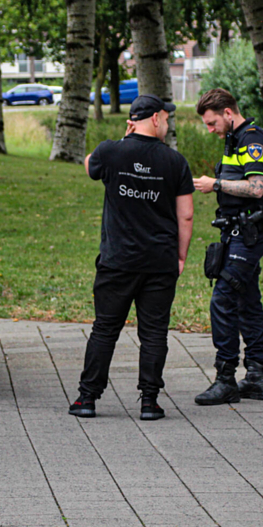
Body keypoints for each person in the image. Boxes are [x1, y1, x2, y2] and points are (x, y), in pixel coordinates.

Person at [68, 94, 194, 422]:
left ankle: (87, 398)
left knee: (105, 328)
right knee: (154, 332)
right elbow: (186, 217)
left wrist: (123, 141)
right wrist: (180, 257)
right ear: (154, 118)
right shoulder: (175, 162)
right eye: (166, 119)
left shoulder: (111, 152)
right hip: (160, 261)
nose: (167, 124)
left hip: (117, 261)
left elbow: (89, 165)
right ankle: (149, 402)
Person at [191, 88, 263, 405]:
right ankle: (256, 377)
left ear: (228, 113)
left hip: (251, 233)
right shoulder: (235, 139)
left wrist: (214, 184)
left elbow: (256, 188)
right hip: (238, 231)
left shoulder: (253, 140)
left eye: (213, 123)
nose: (211, 130)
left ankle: (225, 378)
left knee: (223, 298)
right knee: (246, 302)